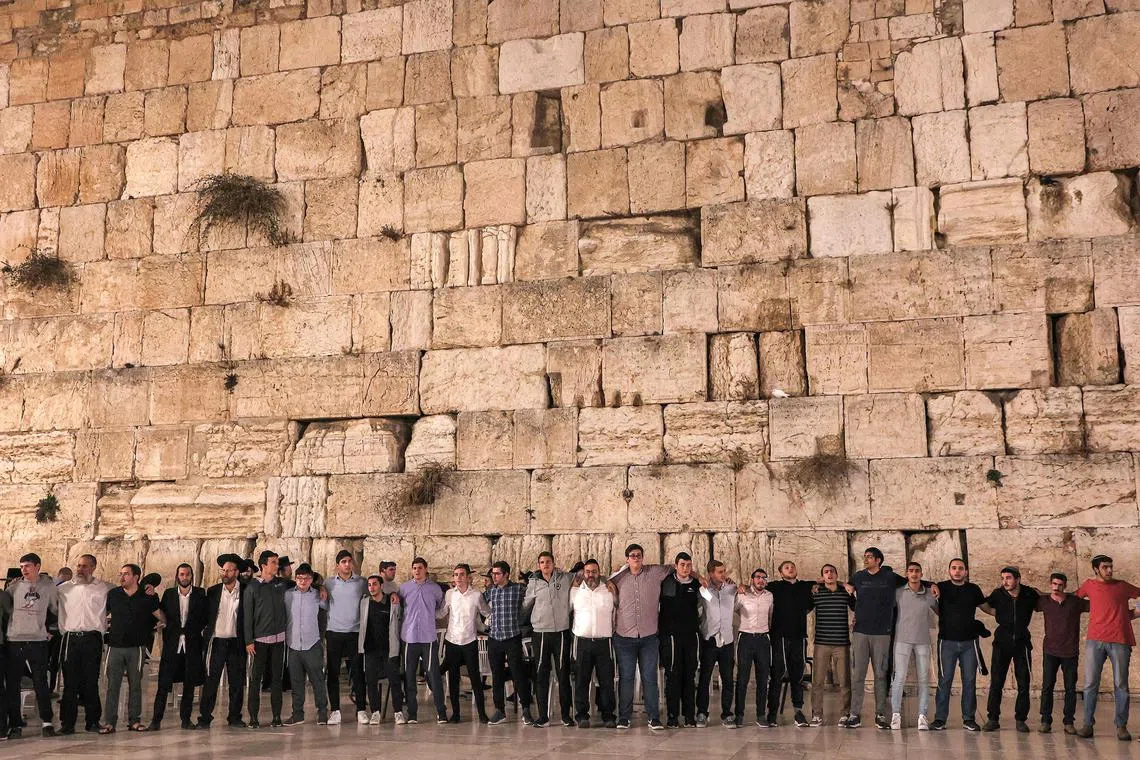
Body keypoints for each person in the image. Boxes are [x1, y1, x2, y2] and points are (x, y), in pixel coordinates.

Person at [845, 547, 933, 729]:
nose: (866, 559)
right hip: (860, 631)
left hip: (882, 633)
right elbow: (847, 588)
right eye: (865, 556)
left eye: (869, 557)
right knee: (858, 675)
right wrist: (843, 585)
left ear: (878, 560)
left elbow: (913, 580)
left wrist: (933, 585)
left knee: (880, 675)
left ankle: (880, 714)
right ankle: (854, 714)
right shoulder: (859, 576)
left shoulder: (890, 577)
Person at [1076, 554, 1140, 740]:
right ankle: (1087, 725)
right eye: (1105, 567)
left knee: (1121, 684)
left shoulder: (1122, 586)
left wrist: (1134, 613)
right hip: (1094, 640)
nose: (1110, 570)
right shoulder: (1089, 585)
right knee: (1090, 684)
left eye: (1111, 566)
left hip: (1120, 639)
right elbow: (1074, 600)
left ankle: (1121, 726)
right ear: (1096, 569)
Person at [610, 543, 672, 730]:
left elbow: (677, 567)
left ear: (643, 557)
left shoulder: (655, 572)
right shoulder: (618, 577)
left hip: (648, 637)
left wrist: (699, 577)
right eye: (632, 555)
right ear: (627, 559)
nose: (636, 558)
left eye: (638, 555)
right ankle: (624, 717)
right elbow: (603, 581)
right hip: (624, 637)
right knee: (626, 678)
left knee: (649, 678)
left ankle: (654, 717)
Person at [101, 564, 164, 734]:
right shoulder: (114, 594)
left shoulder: (147, 596)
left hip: (136, 647)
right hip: (115, 646)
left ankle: (134, 720)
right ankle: (109, 722)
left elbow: (159, 615)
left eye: (126, 574)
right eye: (121, 573)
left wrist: (162, 623)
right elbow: (102, 614)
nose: (122, 577)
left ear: (136, 577)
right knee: (112, 685)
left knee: (135, 685)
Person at [5, 552, 59, 738]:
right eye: (21, 566)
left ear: (37, 566)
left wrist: (51, 630)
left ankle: (47, 722)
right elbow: (6, 609)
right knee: (13, 683)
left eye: (27, 566)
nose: (24, 570)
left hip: (37, 640)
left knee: (40, 681)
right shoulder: (14, 586)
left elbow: (56, 610)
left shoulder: (49, 586)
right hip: (14, 640)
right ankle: (15, 723)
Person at [979, 566, 1039, 733]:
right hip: (1002, 642)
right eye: (1003, 578)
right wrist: (996, 614)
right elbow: (985, 604)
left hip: (1022, 642)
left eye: (1008, 578)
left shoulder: (1029, 593)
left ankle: (1021, 719)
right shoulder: (998, 594)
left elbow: (1043, 600)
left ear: (1018, 579)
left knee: (1023, 682)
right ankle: (993, 718)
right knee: (997, 681)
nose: (1004, 581)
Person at [56, 553, 111, 735]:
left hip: (92, 638)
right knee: (70, 682)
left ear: (93, 568)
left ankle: (93, 721)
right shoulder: (64, 589)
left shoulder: (104, 588)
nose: (80, 569)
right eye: (79, 566)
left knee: (90, 681)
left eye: (85, 566)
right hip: (70, 638)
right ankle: (67, 723)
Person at [150, 563, 207, 730]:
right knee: (164, 683)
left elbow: (204, 617)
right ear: (177, 576)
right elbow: (163, 615)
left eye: (187, 574)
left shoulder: (200, 594)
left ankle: (186, 719)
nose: (184, 577)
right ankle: (156, 720)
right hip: (172, 644)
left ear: (192, 576)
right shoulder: (169, 594)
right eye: (182, 574)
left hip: (192, 644)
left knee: (189, 683)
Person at [932, 557, 985, 732]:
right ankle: (940, 719)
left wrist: (1004, 613)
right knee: (944, 680)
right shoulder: (941, 587)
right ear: (949, 571)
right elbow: (926, 590)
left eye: (960, 568)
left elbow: (987, 607)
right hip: (946, 641)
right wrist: (932, 585)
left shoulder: (973, 589)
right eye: (954, 568)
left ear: (966, 572)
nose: (957, 571)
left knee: (969, 681)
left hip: (970, 642)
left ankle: (969, 718)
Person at [523, 551, 574, 728]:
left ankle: (566, 715)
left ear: (553, 563)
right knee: (541, 674)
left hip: (561, 632)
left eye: (548, 562)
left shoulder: (564, 578)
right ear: (539, 565)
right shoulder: (533, 583)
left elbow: (581, 575)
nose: (545, 565)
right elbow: (526, 606)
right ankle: (543, 716)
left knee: (563, 673)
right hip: (541, 632)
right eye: (542, 562)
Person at [199, 553, 247, 729]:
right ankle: (205, 717)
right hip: (217, 641)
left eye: (229, 570)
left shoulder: (246, 590)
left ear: (236, 572)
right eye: (223, 570)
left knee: (236, 682)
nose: (225, 573)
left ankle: (234, 717)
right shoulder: (213, 591)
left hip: (237, 642)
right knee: (211, 681)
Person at [484, 560, 533, 725]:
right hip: (495, 638)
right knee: (496, 675)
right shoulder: (491, 591)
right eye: (493, 573)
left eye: (497, 573)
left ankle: (525, 709)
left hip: (512, 637)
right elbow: (480, 606)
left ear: (506, 574)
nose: (494, 576)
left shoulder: (518, 589)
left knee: (518, 674)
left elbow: (532, 595)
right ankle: (499, 710)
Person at [889, 562, 938, 730]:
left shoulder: (929, 594)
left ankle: (922, 716)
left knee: (924, 679)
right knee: (899, 678)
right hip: (902, 640)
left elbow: (941, 611)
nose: (914, 574)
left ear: (921, 574)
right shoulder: (898, 592)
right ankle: (896, 715)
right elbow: (884, 609)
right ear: (906, 574)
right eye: (911, 571)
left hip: (923, 640)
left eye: (917, 571)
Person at [1037, 572, 1086, 735]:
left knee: (1070, 688)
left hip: (1070, 652)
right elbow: (1028, 595)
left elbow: (1097, 604)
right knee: (1047, 686)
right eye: (1054, 584)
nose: (1056, 587)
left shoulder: (1075, 602)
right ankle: (1045, 720)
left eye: (1059, 585)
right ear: (1050, 584)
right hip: (1050, 651)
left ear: (1065, 586)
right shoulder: (1043, 601)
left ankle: (1069, 722)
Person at [399, 557, 447, 724]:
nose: (417, 571)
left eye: (420, 568)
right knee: (409, 676)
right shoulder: (404, 588)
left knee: (433, 674)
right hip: (409, 637)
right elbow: (399, 609)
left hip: (428, 637)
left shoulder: (435, 589)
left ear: (426, 569)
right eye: (414, 568)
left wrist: (430, 617)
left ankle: (441, 712)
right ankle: (412, 713)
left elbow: (441, 608)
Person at [766, 560, 814, 728]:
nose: (790, 568)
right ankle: (772, 713)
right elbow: (756, 585)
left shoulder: (805, 586)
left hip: (799, 637)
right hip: (779, 636)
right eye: (786, 567)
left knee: (797, 675)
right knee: (777, 674)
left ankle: (798, 712)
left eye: (792, 566)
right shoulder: (775, 586)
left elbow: (810, 605)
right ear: (781, 573)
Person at [570, 559, 617, 728]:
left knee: (607, 681)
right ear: (583, 573)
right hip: (582, 642)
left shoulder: (609, 590)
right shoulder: (574, 591)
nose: (591, 575)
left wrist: (609, 582)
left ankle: (608, 716)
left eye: (594, 571)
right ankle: (582, 715)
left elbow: (618, 609)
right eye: (588, 572)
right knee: (581, 680)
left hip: (604, 642)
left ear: (599, 573)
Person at [439, 564, 489, 724]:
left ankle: (482, 714)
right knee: (453, 679)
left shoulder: (476, 595)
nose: (458, 577)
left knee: (475, 678)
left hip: (470, 641)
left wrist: (488, 626)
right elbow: (442, 612)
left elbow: (487, 612)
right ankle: (456, 714)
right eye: (455, 574)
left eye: (461, 574)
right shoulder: (449, 594)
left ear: (468, 577)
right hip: (452, 640)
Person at [244, 550, 288, 729]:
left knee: (277, 679)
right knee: (256, 680)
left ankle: (276, 717)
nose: (277, 566)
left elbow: (304, 582)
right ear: (263, 565)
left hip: (279, 640)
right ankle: (253, 718)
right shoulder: (252, 587)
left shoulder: (281, 584)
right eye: (273, 562)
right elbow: (247, 615)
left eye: (277, 562)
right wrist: (249, 640)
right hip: (259, 641)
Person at [283, 563, 330, 726]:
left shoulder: (318, 595)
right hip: (294, 644)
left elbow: (326, 611)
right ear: (295, 579)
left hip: (312, 643)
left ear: (311, 580)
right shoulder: (288, 595)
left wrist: (321, 587)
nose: (303, 581)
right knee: (296, 682)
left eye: (306, 578)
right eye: (299, 578)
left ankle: (322, 712)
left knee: (318, 680)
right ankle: (297, 714)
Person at [325, 550, 367, 725]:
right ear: (337, 565)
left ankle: (361, 709)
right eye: (343, 561)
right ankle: (335, 710)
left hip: (354, 632)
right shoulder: (328, 583)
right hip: (334, 631)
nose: (347, 564)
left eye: (350, 561)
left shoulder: (361, 582)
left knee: (358, 672)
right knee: (333, 672)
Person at [659, 552, 701, 728]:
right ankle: (672, 716)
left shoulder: (697, 584)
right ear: (676, 566)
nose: (685, 568)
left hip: (691, 636)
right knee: (673, 675)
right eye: (682, 565)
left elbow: (704, 605)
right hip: (671, 637)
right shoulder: (666, 582)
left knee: (689, 676)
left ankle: (689, 716)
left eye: (688, 565)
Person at [810, 564, 852, 727]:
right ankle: (817, 715)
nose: (829, 574)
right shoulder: (817, 592)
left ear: (836, 574)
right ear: (822, 576)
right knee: (817, 682)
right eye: (826, 572)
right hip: (822, 643)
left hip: (841, 644)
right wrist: (815, 584)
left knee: (844, 681)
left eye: (832, 572)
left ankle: (845, 714)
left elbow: (857, 606)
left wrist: (845, 585)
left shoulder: (844, 592)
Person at [358, 574, 404, 724]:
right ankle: (375, 712)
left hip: (389, 648)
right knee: (371, 681)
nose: (372, 587)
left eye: (375, 584)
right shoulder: (365, 603)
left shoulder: (391, 602)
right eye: (369, 585)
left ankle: (398, 712)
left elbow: (399, 619)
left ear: (381, 586)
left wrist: (394, 594)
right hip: (370, 648)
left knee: (394, 680)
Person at [697, 559, 736, 728]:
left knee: (728, 679)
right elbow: (697, 609)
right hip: (710, 639)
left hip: (727, 639)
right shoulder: (704, 590)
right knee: (705, 678)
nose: (723, 574)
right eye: (720, 572)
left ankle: (727, 714)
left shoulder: (731, 588)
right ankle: (702, 713)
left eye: (724, 571)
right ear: (711, 573)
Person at [734, 567, 774, 728]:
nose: (761, 580)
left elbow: (771, 616)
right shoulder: (742, 594)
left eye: (764, 578)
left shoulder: (769, 596)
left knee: (763, 679)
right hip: (746, 638)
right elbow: (734, 610)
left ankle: (761, 715)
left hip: (763, 639)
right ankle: (739, 715)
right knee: (742, 678)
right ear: (752, 579)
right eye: (758, 577)